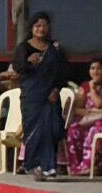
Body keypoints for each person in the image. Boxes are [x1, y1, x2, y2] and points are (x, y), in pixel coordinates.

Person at [13, 12, 68, 179]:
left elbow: (64, 72)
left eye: (44, 25)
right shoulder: (24, 47)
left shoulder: (55, 49)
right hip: (32, 96)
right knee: (34, 131)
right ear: (31, 28)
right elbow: (18, 67)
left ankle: (49, 166)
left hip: (51, 96)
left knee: (52, 128)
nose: (41, 29)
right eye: (37, 26)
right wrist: (29, 61)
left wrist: (56, 89)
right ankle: (36, 166)